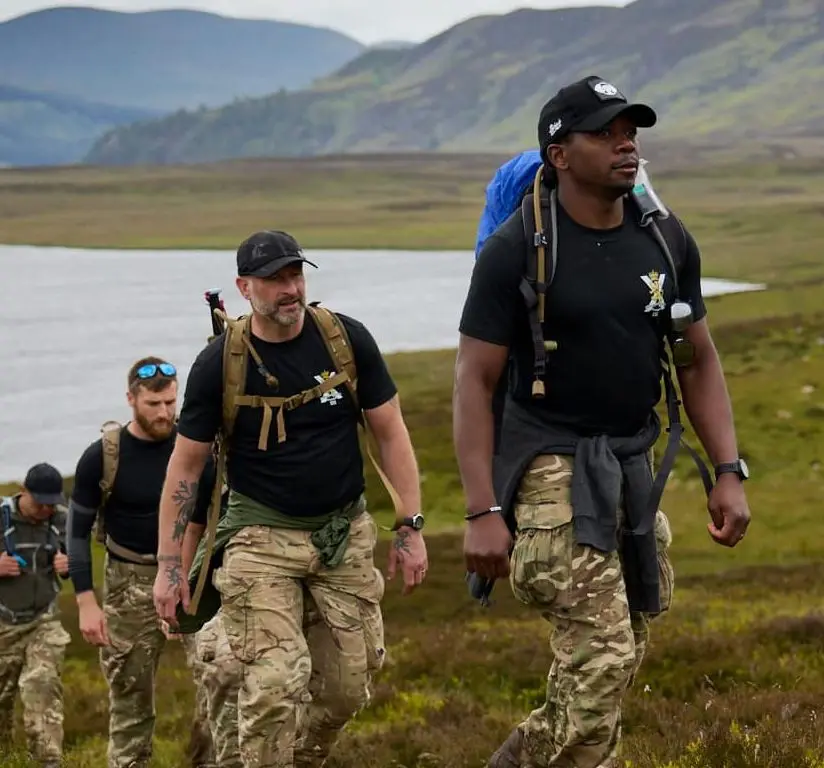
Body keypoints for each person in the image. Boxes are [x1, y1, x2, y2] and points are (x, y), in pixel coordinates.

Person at [453, 75, 752, 768]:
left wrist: (729, 471)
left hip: (632, 464)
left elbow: (697, 360)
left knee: (622, 652)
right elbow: (474, 381)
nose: (627, 144)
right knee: (603, 656)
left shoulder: (666, 241)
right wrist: (481, 510)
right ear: (559, 155)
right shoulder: (516, 252)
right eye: (605, 133)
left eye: (631, 131)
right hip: (547, 463)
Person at [152, 229, 428, 768]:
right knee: (276, 682)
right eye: (274, 279)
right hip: (260, 535)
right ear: (244, 287)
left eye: (295, 275)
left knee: (348, 687)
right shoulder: (219, 363)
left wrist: (410, 526)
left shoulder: (346, 340)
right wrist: (169, 567)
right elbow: (185, 468)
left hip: (343, 533)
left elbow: (391, 432)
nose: (289, 288)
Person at [66, 357, 216, 768]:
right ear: (131, 399)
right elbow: (76, 533)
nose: (165, 412)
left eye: (170, 402)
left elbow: (209, 516)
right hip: (127, 583)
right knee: (130, 702)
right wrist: (86, 603)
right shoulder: (103, 457)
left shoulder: (197, 449)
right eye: (153, 403)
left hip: (195, 578)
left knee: (220, 686)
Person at [0, 462, 70, 768]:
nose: (45, 509)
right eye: (39, 501)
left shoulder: (62, 519)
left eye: (51, 503)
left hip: (44, 620)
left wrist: (70, 566)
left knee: (41, 685)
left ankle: (47, 761)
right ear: (23, 491)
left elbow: (80, 560)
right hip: (2, 624)